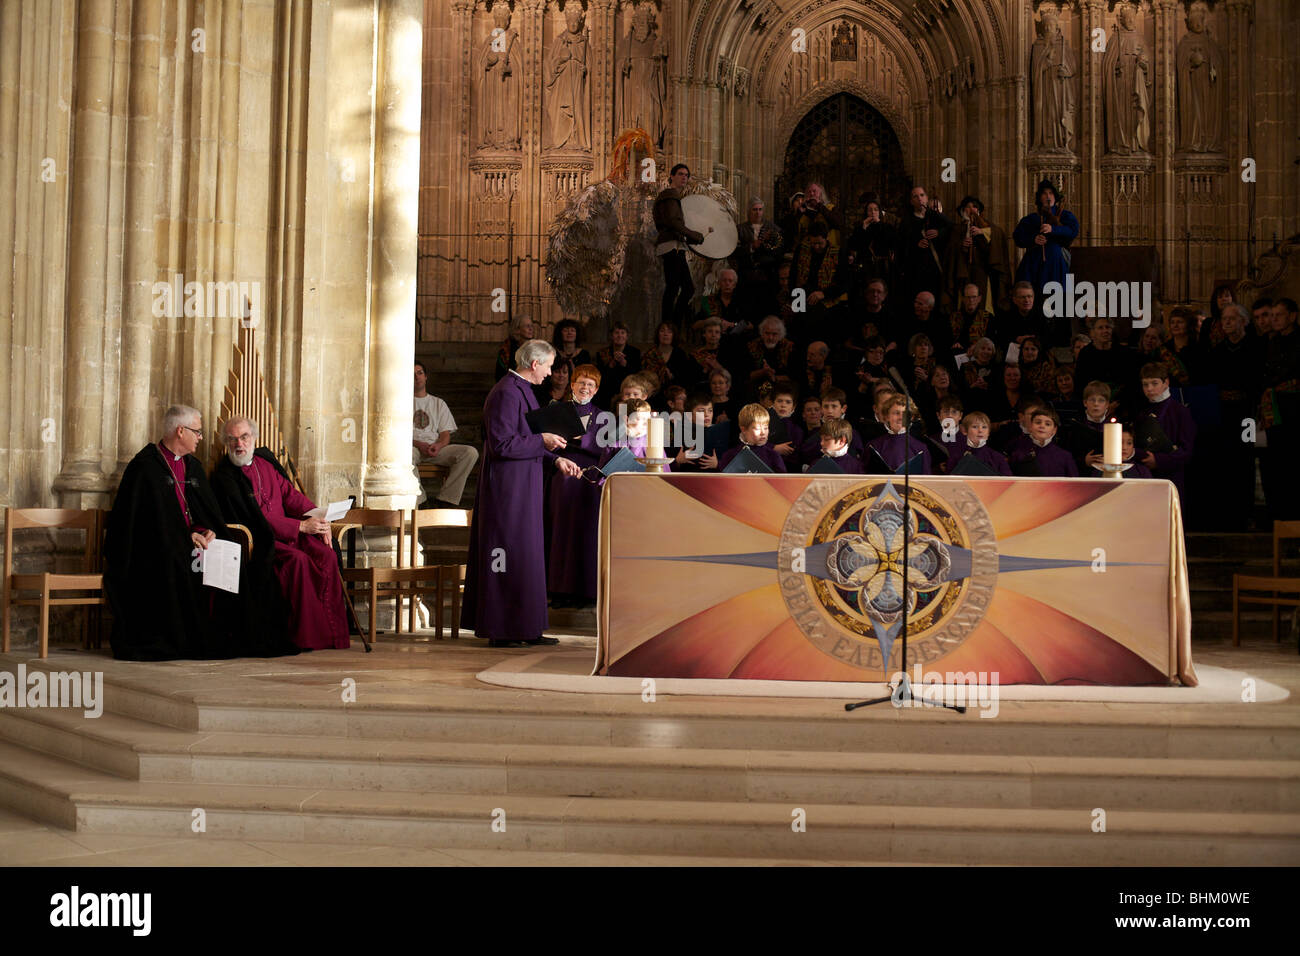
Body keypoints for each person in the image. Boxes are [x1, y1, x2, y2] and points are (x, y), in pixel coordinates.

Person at [105, 405, 299, 661]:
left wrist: (206, 531)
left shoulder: (193, 467)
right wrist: (185, 537)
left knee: (231, 551)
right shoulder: (145, 467)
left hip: (193, 543)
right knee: (177, 557)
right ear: (180, 431)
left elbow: (206, 513)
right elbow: (139, 526)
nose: (200, 437)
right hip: (154, 550)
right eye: (197, 432)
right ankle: (179, 637)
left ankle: (226, 633)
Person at [462, 340, 583, 648]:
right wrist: (542, 440)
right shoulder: (505, 393)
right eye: (548, 366)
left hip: (524, 486)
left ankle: (526, 627)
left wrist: (556, 458)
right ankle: (503, 629)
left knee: (526, 557)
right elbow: (503, 444)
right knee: (505, 555)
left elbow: (528, 439)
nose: (551, 373)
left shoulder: (523, 391)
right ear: (534, 364)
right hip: (506, 490)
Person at [211, 416, 350, 651]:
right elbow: (253, 518)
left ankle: (333, 635)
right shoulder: (225, 476)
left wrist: (318, 517)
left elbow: (291, 497)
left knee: (326, 555)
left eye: (244, 437)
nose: (239, 444)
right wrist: (299, 527)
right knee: (299, 561)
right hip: (262, 541)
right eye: (233, 439)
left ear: (254, 438)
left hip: (289, 534)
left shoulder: (266, 465)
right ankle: (308, 637)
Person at [545, 365, 605, 609]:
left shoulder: (602, 416)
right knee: (562, 531)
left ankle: (587, 591)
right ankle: (559, 589)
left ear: (597, 389)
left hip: (591, 478)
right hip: (563, 475)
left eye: (590, 384)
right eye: (581, 382)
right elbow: (543, 443)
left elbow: (606, 448)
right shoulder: (556, 410)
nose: (585, 388)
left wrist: (584, 438)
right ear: (572, 385)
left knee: (588, 533)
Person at [412, 361, 479, 508]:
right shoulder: (401, 402)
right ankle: (421, 500)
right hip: (413, 447)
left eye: (420, 373)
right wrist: (418, 444)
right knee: (402, 457)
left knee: (470, 453)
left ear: (426, 376)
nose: (417, 377)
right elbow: (397, 435)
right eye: (412, 374)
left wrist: (439, 445)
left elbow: (445, 434)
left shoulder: (438, 403)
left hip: (435, 448)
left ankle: (447, 500)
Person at [1012, 180, 1079, 325]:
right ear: (1039, 198)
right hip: (1034, 266)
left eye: (1050, 193)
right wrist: (1033, 239)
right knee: (1032, 297)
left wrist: (1053, 229)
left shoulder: (1065, 215)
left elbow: (1073, 231)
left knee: (1058, 298)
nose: (1048, 196)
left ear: (1055, 197)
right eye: (1044, 193)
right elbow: (1018, 237)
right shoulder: (1031, 219)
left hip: (1056, 266)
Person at [1134, 362, 1197, 516]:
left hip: (1172, 477)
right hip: (1147, 476)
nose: (1149, 389)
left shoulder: (1180, 411)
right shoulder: (1142, 413)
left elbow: (1186, 451)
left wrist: (1159, 460)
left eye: (1154, 383)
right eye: (1145, 384)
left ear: (1166, 382)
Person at [655, 163, 707, 329]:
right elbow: (672, 222)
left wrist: (692, 239)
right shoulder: (670, 195)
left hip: (676, 245)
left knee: (686, 288)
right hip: (671, 246)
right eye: (680, 174)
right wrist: (694, 235)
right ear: (672, 176)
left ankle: (672, 326)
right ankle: (669, 327)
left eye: (686, 175)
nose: (684, 177)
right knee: (674, 287)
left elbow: (675, 225)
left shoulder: (674, 197)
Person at [947, 195, 1009, 312]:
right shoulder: (956, 229)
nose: (971, 210)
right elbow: (950, 251)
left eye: (974, 207)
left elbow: (998, 236)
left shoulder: (987, 226)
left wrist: (982, 232)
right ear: (962, 211)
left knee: (983, 302)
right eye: (968, 207)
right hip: (963, 271)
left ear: (979, 210)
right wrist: (961, 245)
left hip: (982, 271)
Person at [1075, 316, 1142, 416]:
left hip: (1120, 405)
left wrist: (1116, 403)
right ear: (1093, 332)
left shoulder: (1124, 353)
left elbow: (1132, 382)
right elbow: (1080, 383)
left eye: (1108, 327)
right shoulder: (1085, 354)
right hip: (1093, 405)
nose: (1105, 331)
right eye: (1100, 328)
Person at [897, 185, 951, 302]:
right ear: (912, 201)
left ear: (926, 198)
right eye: (915, 196)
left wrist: (938, 232)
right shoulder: (907, 221)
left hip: (935, 269)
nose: (919, 199)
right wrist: (916, 244)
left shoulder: (935, 216)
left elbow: (950, 228)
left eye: (922, 195)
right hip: (916, 269)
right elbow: (901, 244)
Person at [865, 394, 932, 474]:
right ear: (886, 416)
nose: (901, 418)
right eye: (896, 413)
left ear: (911, 418)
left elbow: (926, 480)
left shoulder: (920, 448)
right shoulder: (874, 446)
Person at [1008, 406, 1078, 477]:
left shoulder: (1065, 456)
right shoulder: (1018, 453)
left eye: (1047, 424)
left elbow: (1074, 484)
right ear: (1030, 426)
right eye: (1038, 422)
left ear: (1054, 430)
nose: (1042, 426)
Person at [743, 315, 800, 401]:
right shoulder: (752, 346)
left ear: (780, 335)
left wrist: (774, 377)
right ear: (762, 333)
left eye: (774, 334)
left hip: (783, 389)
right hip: (756, 389)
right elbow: (745, 374)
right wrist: (762, 372)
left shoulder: (790, 347)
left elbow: (795, 375)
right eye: (767, 333)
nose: (770, 337)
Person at [718, 404, 787, 472]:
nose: (763, 433)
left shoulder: (773, 456)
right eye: (757, 429)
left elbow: (782, 481)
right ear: (744, 429)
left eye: (766, 428)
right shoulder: (730, 455)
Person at [594, 320, 642, 408]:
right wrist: (611, 364)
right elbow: (599, 375)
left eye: (623, 333)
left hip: (627, 388)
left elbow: (637, 375)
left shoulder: (635, 352)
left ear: (627, 336)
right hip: (608, 389)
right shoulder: (602, 353)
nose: (620, 335)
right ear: (612, 336)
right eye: (616, 333)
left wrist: (625, 364)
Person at [641, 321, 695, 397]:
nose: (665, 334)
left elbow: (687, 378)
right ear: (658, 334)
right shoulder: (650, 354)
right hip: (653, 393)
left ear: (673, 335)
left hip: (674, 394)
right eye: (662, 331)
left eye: (669, 332)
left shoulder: (680, 354)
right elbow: (643, 377)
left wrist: (672, 376)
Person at [951, 412, 1012, 476]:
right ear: (964, 430)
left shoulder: (997, 457)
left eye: (984, 427)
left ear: (988, 432)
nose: (980, 430)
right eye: (975, 427)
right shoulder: (956, 456)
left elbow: (1008, 481)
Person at [494, 314, 535, 381]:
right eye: (527, 326)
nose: (531, 329)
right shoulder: (507, 349)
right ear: (517, 330)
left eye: (531, 326)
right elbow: (500, 375)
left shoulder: (535, 347)